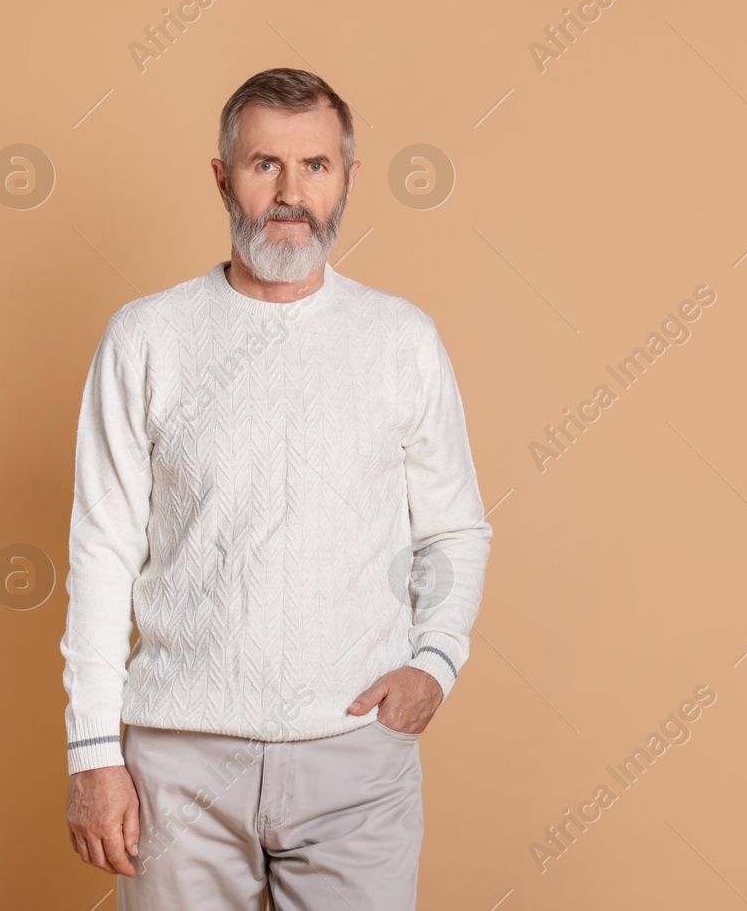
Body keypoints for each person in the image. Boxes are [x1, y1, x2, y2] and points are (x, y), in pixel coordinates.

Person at [59, 67, 492, 909]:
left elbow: (454, 530)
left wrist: (434, 661)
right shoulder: (148, 337)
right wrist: (90, 752)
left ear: (349, 179)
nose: (291, 194)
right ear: (223, 177)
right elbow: (102, 549)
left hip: (355, 760)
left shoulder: (400, 339)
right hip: (177, 768)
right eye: (265, 166)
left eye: (316, 167)